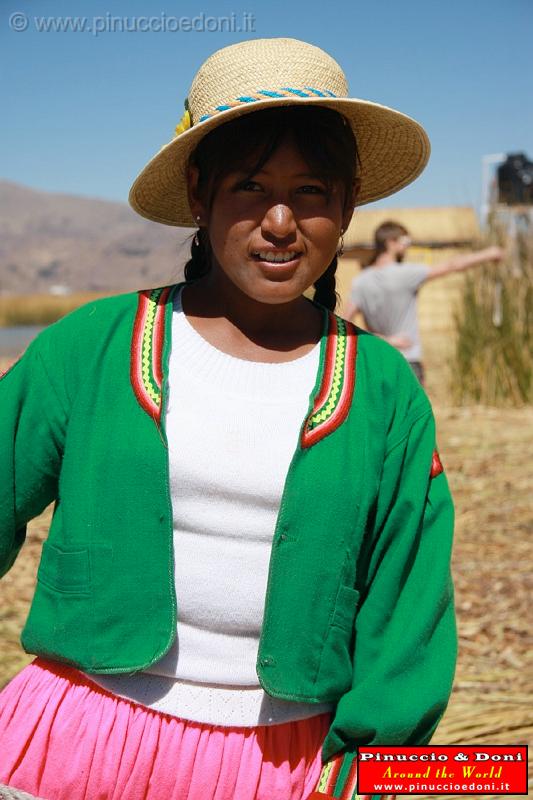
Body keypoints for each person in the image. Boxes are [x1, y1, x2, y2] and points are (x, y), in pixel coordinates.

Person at [0, 38, 457, 800]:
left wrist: (369, 775)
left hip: (283, 767)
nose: (280, 221)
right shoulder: (94, 346)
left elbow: (406, 608)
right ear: (199, 195)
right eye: (249, 186)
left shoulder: (382, 391)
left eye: (310, 191)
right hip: (76, 739)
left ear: (344, 207)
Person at [343, 220, 504, 384]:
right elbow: (453, 265)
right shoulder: (407, 274)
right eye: (405, 241)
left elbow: (345, 323)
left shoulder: (360, 281)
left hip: (376, 361)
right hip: (407, 359)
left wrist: (383, 340)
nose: (407, 246)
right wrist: (489, 254)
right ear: (391, 243)